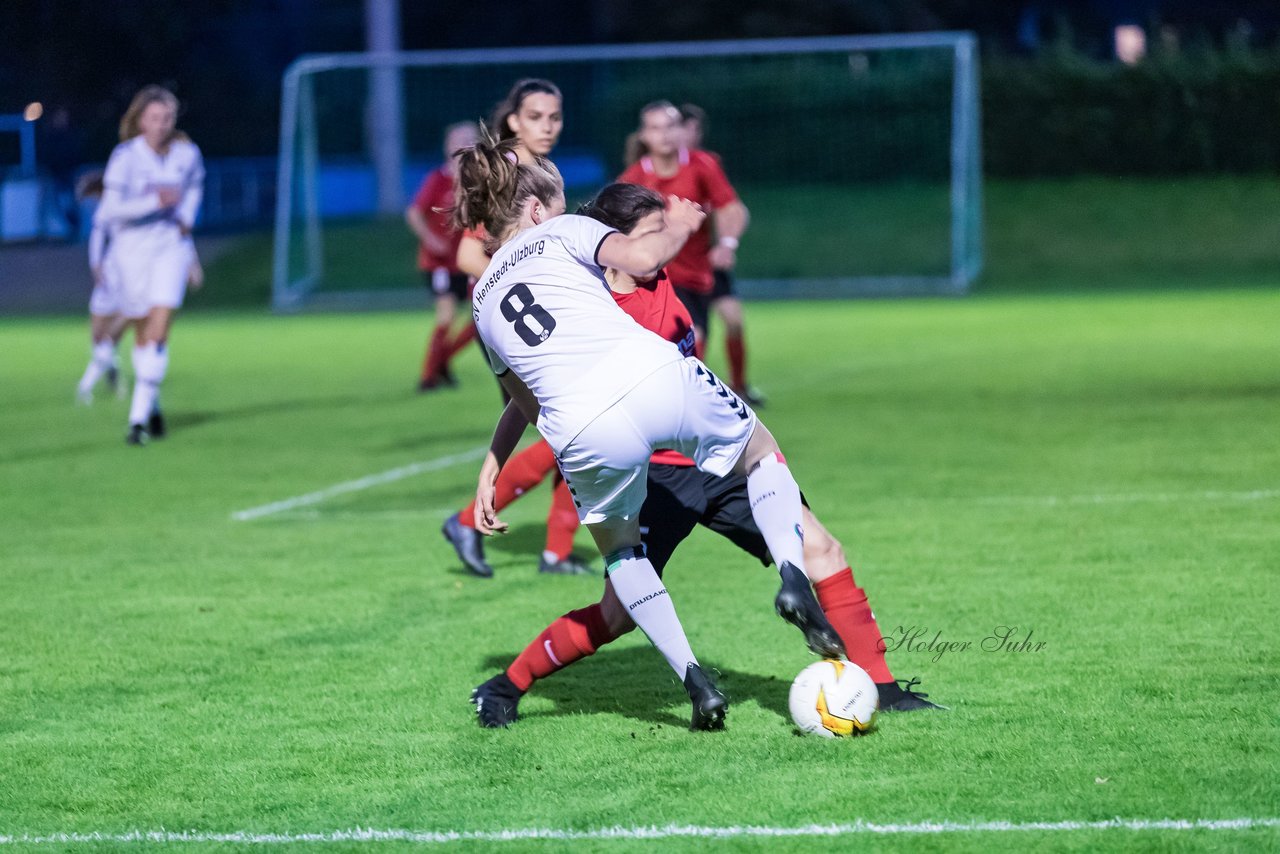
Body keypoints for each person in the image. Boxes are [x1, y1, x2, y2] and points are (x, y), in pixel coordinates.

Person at [470, 184, 943, 727]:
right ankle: (509, 685)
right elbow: (539, 393)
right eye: (652, 234)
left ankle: (881, 687)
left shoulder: (658, 277)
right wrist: (496, 457)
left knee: (823, 549)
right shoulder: (600, 307)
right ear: (618, 246)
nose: (666, 244)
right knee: (616, 615)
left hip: (718, 465)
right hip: (658, 482)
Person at [442, 78, 589, 577]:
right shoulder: (504, 171)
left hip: (539, 316)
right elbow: (467, 254)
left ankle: (557, 551)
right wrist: (521, 295)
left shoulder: (542, 170)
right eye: (535, 117)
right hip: (515, 322)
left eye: (555, 116)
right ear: (512, 120)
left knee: (575, 425)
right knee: (567, 425)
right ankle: (468, 520)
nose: (546, 126)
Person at [618, 101, 763, 406]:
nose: (665, 135)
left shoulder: (702, 165)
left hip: (706, 267)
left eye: (670, 126)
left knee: (732, 320)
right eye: (656, 128)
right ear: (644, 135)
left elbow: (732, 208)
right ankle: (684, 404)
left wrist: (727, 244)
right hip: (666, 275)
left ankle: (736, 387)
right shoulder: (633, 180)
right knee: (692, 337)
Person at [94, 85, 204, 445]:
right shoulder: (125, 157)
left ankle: (136, 421)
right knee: (142, 333)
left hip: (169, 247)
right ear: (141, 120)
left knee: (159, 328)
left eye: (167, 118)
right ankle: (151, 405)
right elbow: (110, 211)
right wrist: (153, 202)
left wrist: (187, 239)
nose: (161, 125)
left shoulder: (187, 155)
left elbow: (193, 193)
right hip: (131, 252)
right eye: (155, 118)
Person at [407, 121, 479, 391]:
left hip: (469, 262)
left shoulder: (480, 182)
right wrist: (431, 239)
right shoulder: (438, 179)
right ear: (448, 146)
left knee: (480, 323)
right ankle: (428, 377)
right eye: (458, 140)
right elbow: (414, 213)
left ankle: (442, 363)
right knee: (446, 317)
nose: (464, 145)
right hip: (440, 264)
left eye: (470, 140)